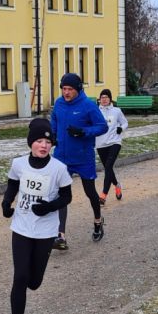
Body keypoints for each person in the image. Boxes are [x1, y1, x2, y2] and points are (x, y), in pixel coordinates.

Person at [1, 117, 73, 314]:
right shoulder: (19, 164)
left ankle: (32, 282)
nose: (43, 145)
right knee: (20, 277)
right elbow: (12, 184)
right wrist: (6, 202)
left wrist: (49, 207)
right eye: (39, 141)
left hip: (45, 231)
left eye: (48, 141)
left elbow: (66, 197)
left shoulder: (58, 169)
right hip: (21, 227)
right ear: (31, 143)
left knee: (34, 282)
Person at [49, 73, 109, 247]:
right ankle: (61, 235)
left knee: (90, 193)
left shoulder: (88, 105)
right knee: (61, 195)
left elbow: (102, 126)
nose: (66, 92)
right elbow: (54, 122)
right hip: (62, 157)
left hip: (83, 158)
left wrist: (83, 132)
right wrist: (51, 137)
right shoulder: (59, 103)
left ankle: (98, 221)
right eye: (64, 89)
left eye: (70, 89)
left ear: (78, 89)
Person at [95, 89, 128, 204]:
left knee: (108, 166)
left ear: (110, 99)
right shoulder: (95, 111)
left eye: (106, 97)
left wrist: (121, 128)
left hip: (114, 142)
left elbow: (125, 123)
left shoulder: (116, 111)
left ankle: (103, 195)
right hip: (100, 144)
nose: (104, 99)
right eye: (102, 97)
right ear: (99, 99)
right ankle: (117, 184)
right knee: (108, 168)